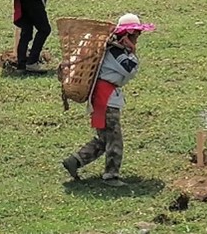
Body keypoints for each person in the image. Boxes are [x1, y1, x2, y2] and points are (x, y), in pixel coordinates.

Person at [63, 13, 155, 186]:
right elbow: (130, 70)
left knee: (104, 139)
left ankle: (74, 161)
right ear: (126, 35)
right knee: (114, 139)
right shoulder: (116, 51)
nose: (137, 38)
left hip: (101, 98)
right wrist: (133, 54)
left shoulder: (111, 49)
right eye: (135, 34)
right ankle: (111, 175)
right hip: (106, 100)